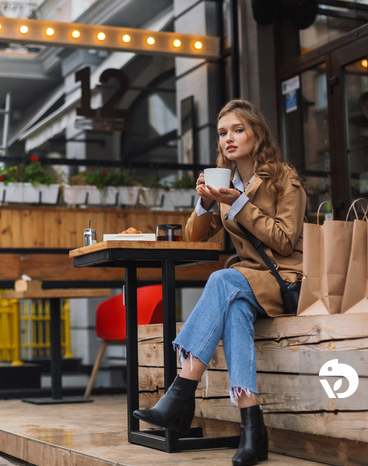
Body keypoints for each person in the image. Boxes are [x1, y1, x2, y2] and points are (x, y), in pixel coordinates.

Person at [133, 99, 306, 465]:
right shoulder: (224, 181)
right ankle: (252, 430)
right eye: (223, 132)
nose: (229, 138)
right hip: (246, 284)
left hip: (286, 280)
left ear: (257, 134)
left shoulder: (282, 178)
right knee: (234, 310)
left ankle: (182, 391)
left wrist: (240, 203)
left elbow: (286, 240)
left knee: (222, 279)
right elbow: (194, 236)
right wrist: (204, 203)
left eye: (238, 130)